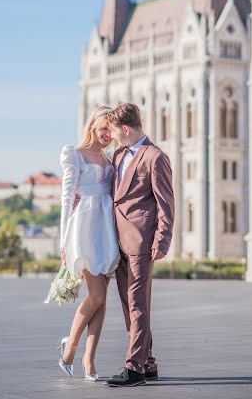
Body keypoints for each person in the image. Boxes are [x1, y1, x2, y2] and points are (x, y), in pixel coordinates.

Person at [105, 103, 175, 387]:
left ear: (125, 129)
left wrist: (162, 239)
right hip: (117, 241)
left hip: (142, 241)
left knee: (137, 303)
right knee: (129, 303)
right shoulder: (119, 154)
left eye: (113, 131)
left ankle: (134, 368)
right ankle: (147, 362)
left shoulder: (155, 157)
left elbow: (166, 204)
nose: (111, 136)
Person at [57, 106, 120, 382]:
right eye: (103, 128)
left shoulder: (111, 157)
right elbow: (66, 196)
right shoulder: (75, 154)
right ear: (93, 126)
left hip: (107, 229)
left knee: (102, 299)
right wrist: (63, 242)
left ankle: (89, 357)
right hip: (84, 229)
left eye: (111, 129)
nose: (108, 134)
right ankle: (69, 348)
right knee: (97, 296)